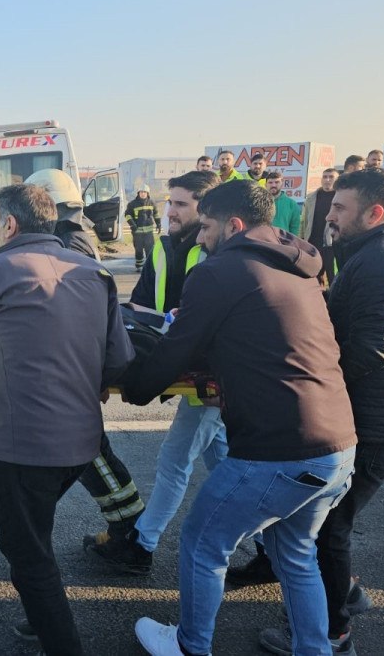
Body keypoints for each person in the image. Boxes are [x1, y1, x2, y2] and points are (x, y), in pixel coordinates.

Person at [125, 179, 357, 656]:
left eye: (206, 227)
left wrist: (134, 388)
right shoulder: (298, 266)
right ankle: (314, 650)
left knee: (202, 542)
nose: (200, 237)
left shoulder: (219, 271)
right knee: (296, 555)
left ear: (233, 225)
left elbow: (176, 348)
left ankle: (189, 646)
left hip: (279, 449)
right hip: (337, 446)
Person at [0, 183, 134, 655]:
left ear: (10, 224)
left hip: (24, 445)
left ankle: (59, 639)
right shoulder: (95, 272)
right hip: (84, 441)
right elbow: (118, 360)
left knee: (27, 554)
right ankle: (39, 615)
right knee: (35, 528)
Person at [258, 167, 384, 655]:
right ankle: (345, 594)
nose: (329, 216)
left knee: (328, 528)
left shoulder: (383, 262)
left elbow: (374, 349)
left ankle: (332, 634)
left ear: (374, 213)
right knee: (328, 524)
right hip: (380, 414)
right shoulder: (375, 251)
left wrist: (313, 384)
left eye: (339, 208)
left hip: (379, 422)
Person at [0, 169, 144, 563]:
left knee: (81, 466)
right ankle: (7, 500)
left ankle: (128, 532)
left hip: (55, 396)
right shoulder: (74, 244)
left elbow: (49, 324)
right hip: (72, 390)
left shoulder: (59, 249)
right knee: (66, 468)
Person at [100, 170, 228, 575]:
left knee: (174, 461)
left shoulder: (217, 254)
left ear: (206, 210)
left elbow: (206, 328)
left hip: (207, 379)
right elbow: (139, 306)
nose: (170, 211)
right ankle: (270, 549)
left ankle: (142, 544)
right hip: (184, 370)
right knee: (223, 461)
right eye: (169, 202)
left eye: (180, 204)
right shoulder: (162, 246)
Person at [303, 168, 339, 283]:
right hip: (313, 243)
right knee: (313, 277)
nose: (327, 180)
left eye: (331, 177)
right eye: (325, 177)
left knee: (333, 277)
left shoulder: (341, 198)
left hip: (332, 244)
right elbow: (304, 221)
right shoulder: (311, 197)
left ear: (337, 180)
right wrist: (302, 239)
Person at [125, 185, 159, 271]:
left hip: (149, 231)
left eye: (144, 192)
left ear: (147, 193)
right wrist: (132, 224)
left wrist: (159, 224)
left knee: (150, 249)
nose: (143, 194)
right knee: (138, 250)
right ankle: (139, 266)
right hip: (137, 231)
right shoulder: (132, 204)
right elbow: (127, 215)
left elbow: (156, 214)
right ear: (138, 193)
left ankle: (149, 267)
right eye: (141, 192)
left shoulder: (152, 203)